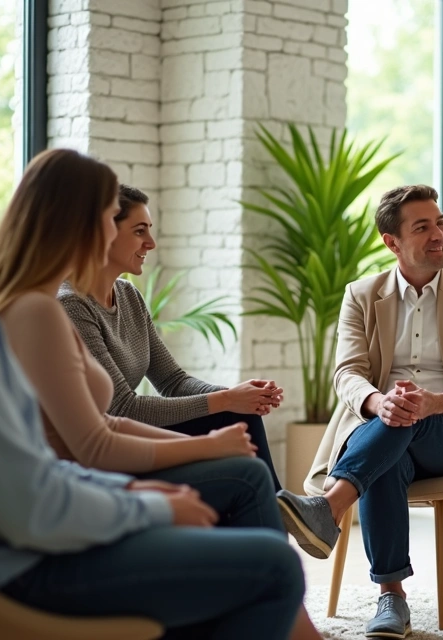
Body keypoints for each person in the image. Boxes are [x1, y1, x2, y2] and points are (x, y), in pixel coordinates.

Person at [0, 59, 304, 640]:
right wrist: (148, 506)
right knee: (271, 567)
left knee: (221, 518)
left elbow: (16, 465)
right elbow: (28, 501)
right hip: (4, 570)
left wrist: (129, 490)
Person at [276, 185, 443, 638]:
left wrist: (435, 403)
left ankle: (327, 510)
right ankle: (393, 599)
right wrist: (377, 401)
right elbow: (347, 373)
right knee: (390, 436)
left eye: (440, 223)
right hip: (382, 429)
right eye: (422, 227)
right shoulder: (362, 295)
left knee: (405, 418)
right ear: (392, 242)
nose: (438, 235)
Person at [58, 184, 283, 490]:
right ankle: (277, 511)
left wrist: (239, 396)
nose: (151, 243)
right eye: (139, 231)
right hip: (108, 453)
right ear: (104, 234)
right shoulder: (72, 305)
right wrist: (227, 399)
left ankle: (277, 510)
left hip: (135, 432)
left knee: (238, 417)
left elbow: (173, 381)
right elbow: (123, 408)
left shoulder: (128, 295)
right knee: (232, 421)